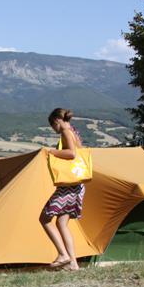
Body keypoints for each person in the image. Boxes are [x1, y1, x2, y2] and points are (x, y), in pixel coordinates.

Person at [40, 108, 84, 271]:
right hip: (77, 183)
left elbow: (72, 154)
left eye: (53, 126)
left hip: (68, 185)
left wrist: (52, 152)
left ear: (57, 121)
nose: (54, 130)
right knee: (61, 223)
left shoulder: (65, 131)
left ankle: (63, 254)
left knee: (44, 218)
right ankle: (73, 263)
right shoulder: (74, 131)